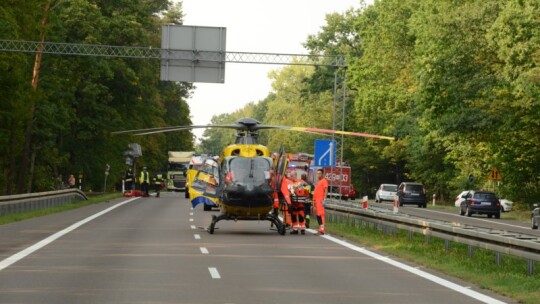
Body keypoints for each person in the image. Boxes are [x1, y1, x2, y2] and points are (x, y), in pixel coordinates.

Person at [289, 171, 309, 235]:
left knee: (301, 214)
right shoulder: (290, 182)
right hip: (293, 201)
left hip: (300, 201)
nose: (291, 177)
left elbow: (307, 186)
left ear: (295, 175)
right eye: (290, 176)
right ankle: (295, 229)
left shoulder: (300, 181)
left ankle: (302, 229)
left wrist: (300, 188)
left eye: (292, 176)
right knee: (293, 215)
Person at [313, 168, 328, 235]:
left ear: (322, 174)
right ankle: (320, 228)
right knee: (318, 215)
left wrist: (324, 199)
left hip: (321, 200)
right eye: (317, 173)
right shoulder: (318, 182)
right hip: (317, 200)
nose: (318, 175)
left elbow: (326, 190)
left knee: (321, 215)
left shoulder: (324, 181)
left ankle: (322, 230)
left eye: (319, 173)